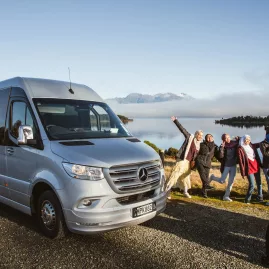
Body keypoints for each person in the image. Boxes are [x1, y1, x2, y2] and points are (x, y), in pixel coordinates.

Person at [166, 116, 203, 198]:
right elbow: (182, 129)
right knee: (175, 174)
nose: (201, 137)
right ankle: (167, 191)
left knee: (186, 176)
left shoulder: (199, 145)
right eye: (200, 135)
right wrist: (175, 120)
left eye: (202, 136)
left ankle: (185, 191)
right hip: (182, 159)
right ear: (196, 134)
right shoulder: (189, 137)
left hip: (189, 163)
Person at [209, 133, 239, 202]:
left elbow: (242, 141)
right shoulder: (223, 146)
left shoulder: (234, 143)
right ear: (223, 140)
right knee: (222, 181)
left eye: (228, 137)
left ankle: (226, 196)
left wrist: (238, 137)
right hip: (226, 166)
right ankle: (212, 177)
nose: (227, 139)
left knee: (231, 182)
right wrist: (222, 148)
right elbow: (220, 156)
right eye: (225, 138)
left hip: (233, 166)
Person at [237, 135, 263, 204]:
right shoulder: (240, 148)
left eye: (249, 139)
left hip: (255, 165)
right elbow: (240, 161)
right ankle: (247, 199)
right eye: (246, 139)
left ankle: (260, 197)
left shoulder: (251, 146)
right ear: (243, 140)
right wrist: (242, 171)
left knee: (259, 182)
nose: (247, 141)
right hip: (249, 167)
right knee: (252, 184)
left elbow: (259, 144)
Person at [196, 134, 219, 198]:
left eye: (211, 137)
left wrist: (221, 148)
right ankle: (207, 185)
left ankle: (204, 193)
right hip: (200, 161)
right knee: (202, 174)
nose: (209, 138)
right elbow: (197, 151)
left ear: (213, 138)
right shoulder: (201, 144)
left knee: (205, 177)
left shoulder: (215, 146)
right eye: (208, 137)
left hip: (208, 163)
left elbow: (219, 156)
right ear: (206, 138)